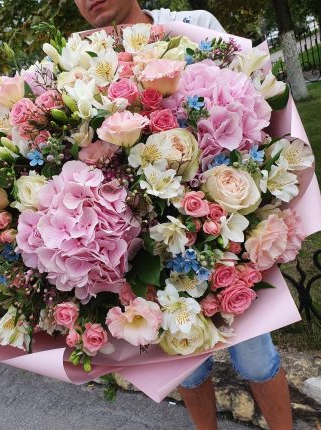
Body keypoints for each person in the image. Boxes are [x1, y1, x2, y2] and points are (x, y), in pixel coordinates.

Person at [74, 1, 294, 429]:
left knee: (256, 358)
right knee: (186, 367)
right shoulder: (82, 64)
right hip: (147, 255)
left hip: (222, 234)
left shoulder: (194, 27)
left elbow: (249, 105)